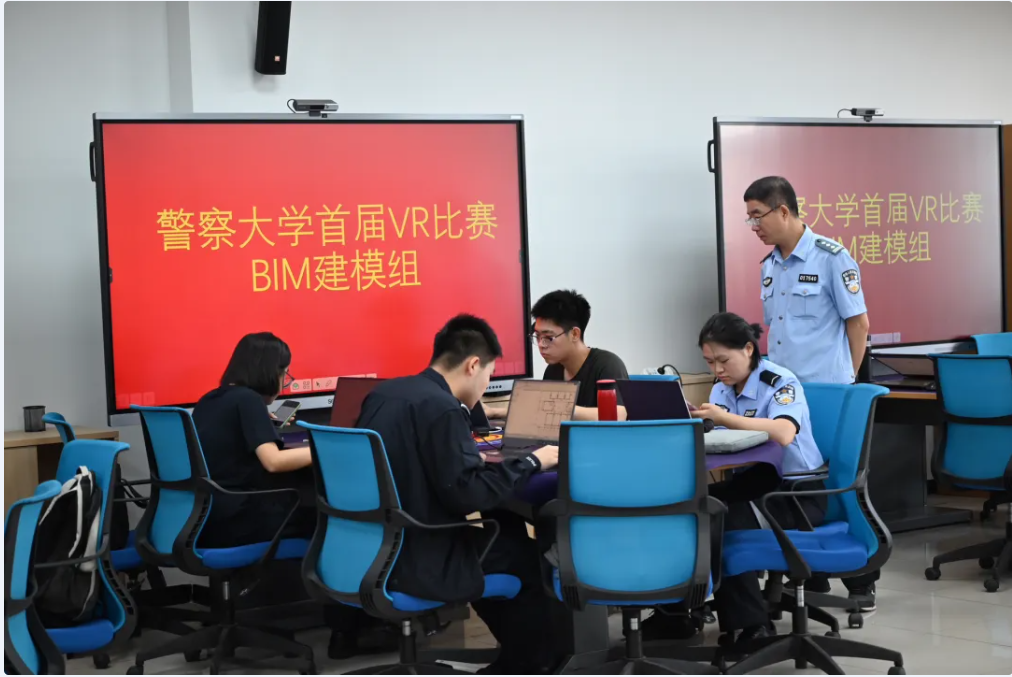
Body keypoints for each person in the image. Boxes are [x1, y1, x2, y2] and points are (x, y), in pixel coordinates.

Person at [355, 315, 563, 674]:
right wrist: (532, 460)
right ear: (473, 365)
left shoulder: (386, 394)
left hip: (372, 546)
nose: (486, 384)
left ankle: (516, 660)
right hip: (418, 556)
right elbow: (469, 496)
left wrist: (467, 459)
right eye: (489, 375)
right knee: (528, 558)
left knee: (502, 539)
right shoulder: (443, 407)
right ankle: (531, 665)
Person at [191, 332, 395, 660]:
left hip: (211, 517)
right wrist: (327, 449)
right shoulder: (247, 401)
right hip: (241, 521)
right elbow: (273, 461)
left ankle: (351, 626)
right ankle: (351, 631)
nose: (284, 382)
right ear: (267, 370)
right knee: (342, 522)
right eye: (284, 373)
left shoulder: (211, 400)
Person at [745, 176, 878, 611]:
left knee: (839, 481)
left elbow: (858, 324)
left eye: (758, 216)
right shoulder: (768, 266)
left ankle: (862, 581)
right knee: (793, 480)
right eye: (749, 218)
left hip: (827, 392)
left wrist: (847, 383)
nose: (754, 226)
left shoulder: (831, 257)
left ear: (783, 210)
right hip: (784, 396)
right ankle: (810, 572)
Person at [694, 313, 827, 652]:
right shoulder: (722, 389)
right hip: (755, 481)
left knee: (722, 516)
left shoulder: (780, 381)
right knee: (695, 503)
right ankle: (685, 610)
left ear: (749, 349)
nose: (717, 370)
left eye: (723, 360)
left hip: (797, 492)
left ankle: (753, 625)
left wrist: (723, 418)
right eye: (709, 362)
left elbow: (783, 432)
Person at [485, 289, 630, 421]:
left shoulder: (607, 365)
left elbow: (618, 416)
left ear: (574, 334)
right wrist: (494, 412)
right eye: (537, 336)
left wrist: (561, 407)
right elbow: (539, 410)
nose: (541, 344)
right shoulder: (553, 369)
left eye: (548, 337)